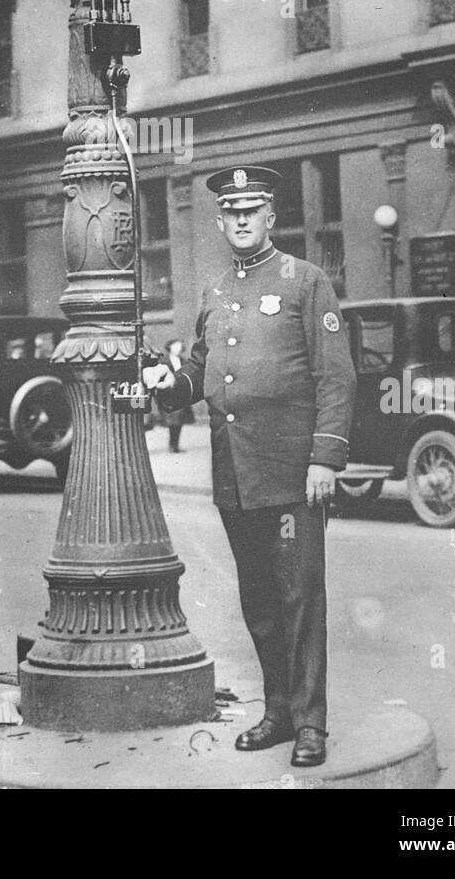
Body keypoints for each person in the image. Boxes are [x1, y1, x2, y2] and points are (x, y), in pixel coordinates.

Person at [144, 164, 355, 767]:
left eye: (251, 210)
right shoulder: (214, 291)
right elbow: (202, 371)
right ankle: (280, 713)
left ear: (269, 217)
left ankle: (312, 724)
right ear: (219, 222)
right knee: (260, 600)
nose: (240, 220)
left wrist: (325, 458)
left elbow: (335, 377)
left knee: (300, 597)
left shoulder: (305, 281)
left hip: (291, 474)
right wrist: (167, 382)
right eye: (230, 212)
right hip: (235, 473)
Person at [158, 337, 194, 453]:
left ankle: (175, 445)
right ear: (170, 347)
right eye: (175, 346)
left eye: (179, 346)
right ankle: (172, 445)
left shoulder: (184, 361)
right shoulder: (164, 361)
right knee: (173, 420)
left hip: (181, 394)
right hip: (169, 394)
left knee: (179, 421)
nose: (178, 348)